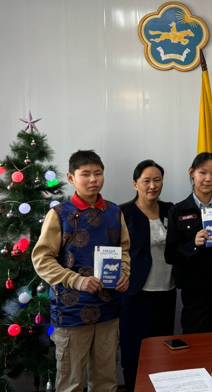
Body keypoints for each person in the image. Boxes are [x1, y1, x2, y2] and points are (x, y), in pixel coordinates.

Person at [32, 150, 131, 392]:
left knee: (106, 382)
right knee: (71, 384)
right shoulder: (59, 214)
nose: (93, 179)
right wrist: (77, 280)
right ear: (71, 177)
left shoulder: (114, 212)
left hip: (108, 310)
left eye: (98, 173)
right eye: (85, 174)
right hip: (72, 313)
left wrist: (124, 273)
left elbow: (124, 250)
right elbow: (42, 259)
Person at [164, 152, 212, 334]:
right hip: (195, 295)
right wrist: (193, 243)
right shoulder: (178, 210)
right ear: (191, 173)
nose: (208, 179)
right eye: (203, 173)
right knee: (196, 344)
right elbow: (171, 255)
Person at [119, 160, 175, 392]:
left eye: (157, 180)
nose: (153, 186)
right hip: (136, 293)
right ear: (135, 184)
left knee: (163, 351)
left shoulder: (170, 209)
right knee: (134, 352)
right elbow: (115, 251)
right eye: (146, 181)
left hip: (167, 291)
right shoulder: (124, 212)